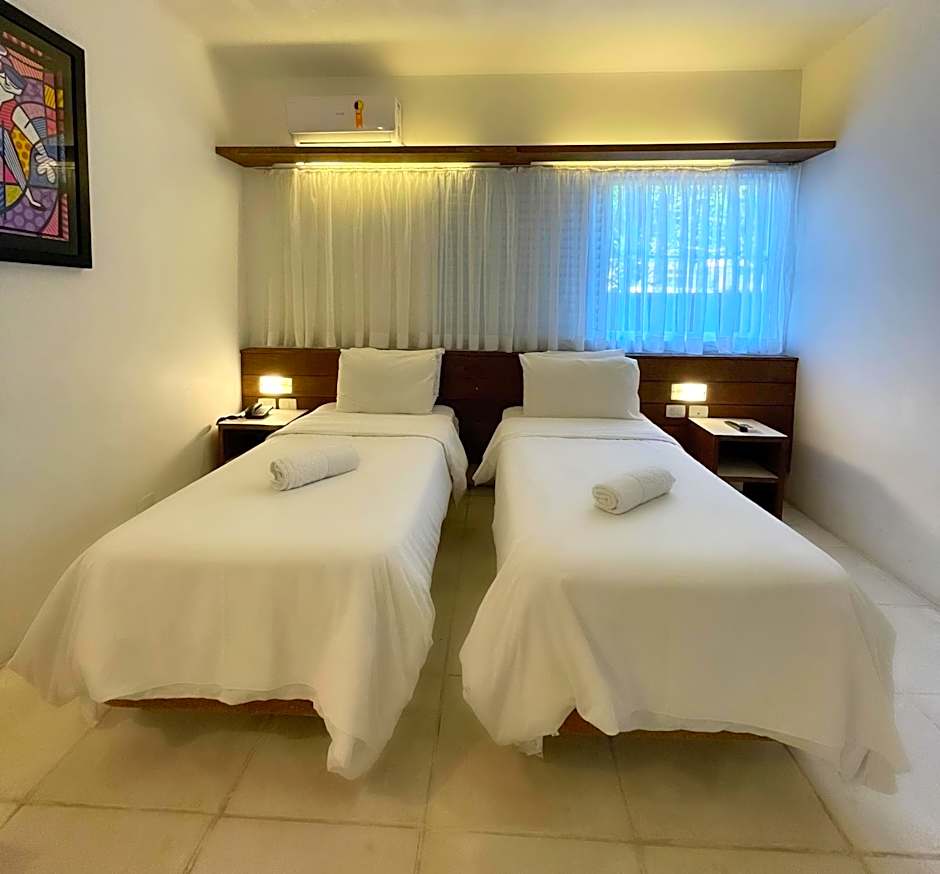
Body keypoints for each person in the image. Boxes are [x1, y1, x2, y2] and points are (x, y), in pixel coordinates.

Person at [0, 44, 57, 210]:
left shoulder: (11, 107)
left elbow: (29, 130)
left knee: (15, 165)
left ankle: (30, 198)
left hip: (2, 137)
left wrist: (43, 153)